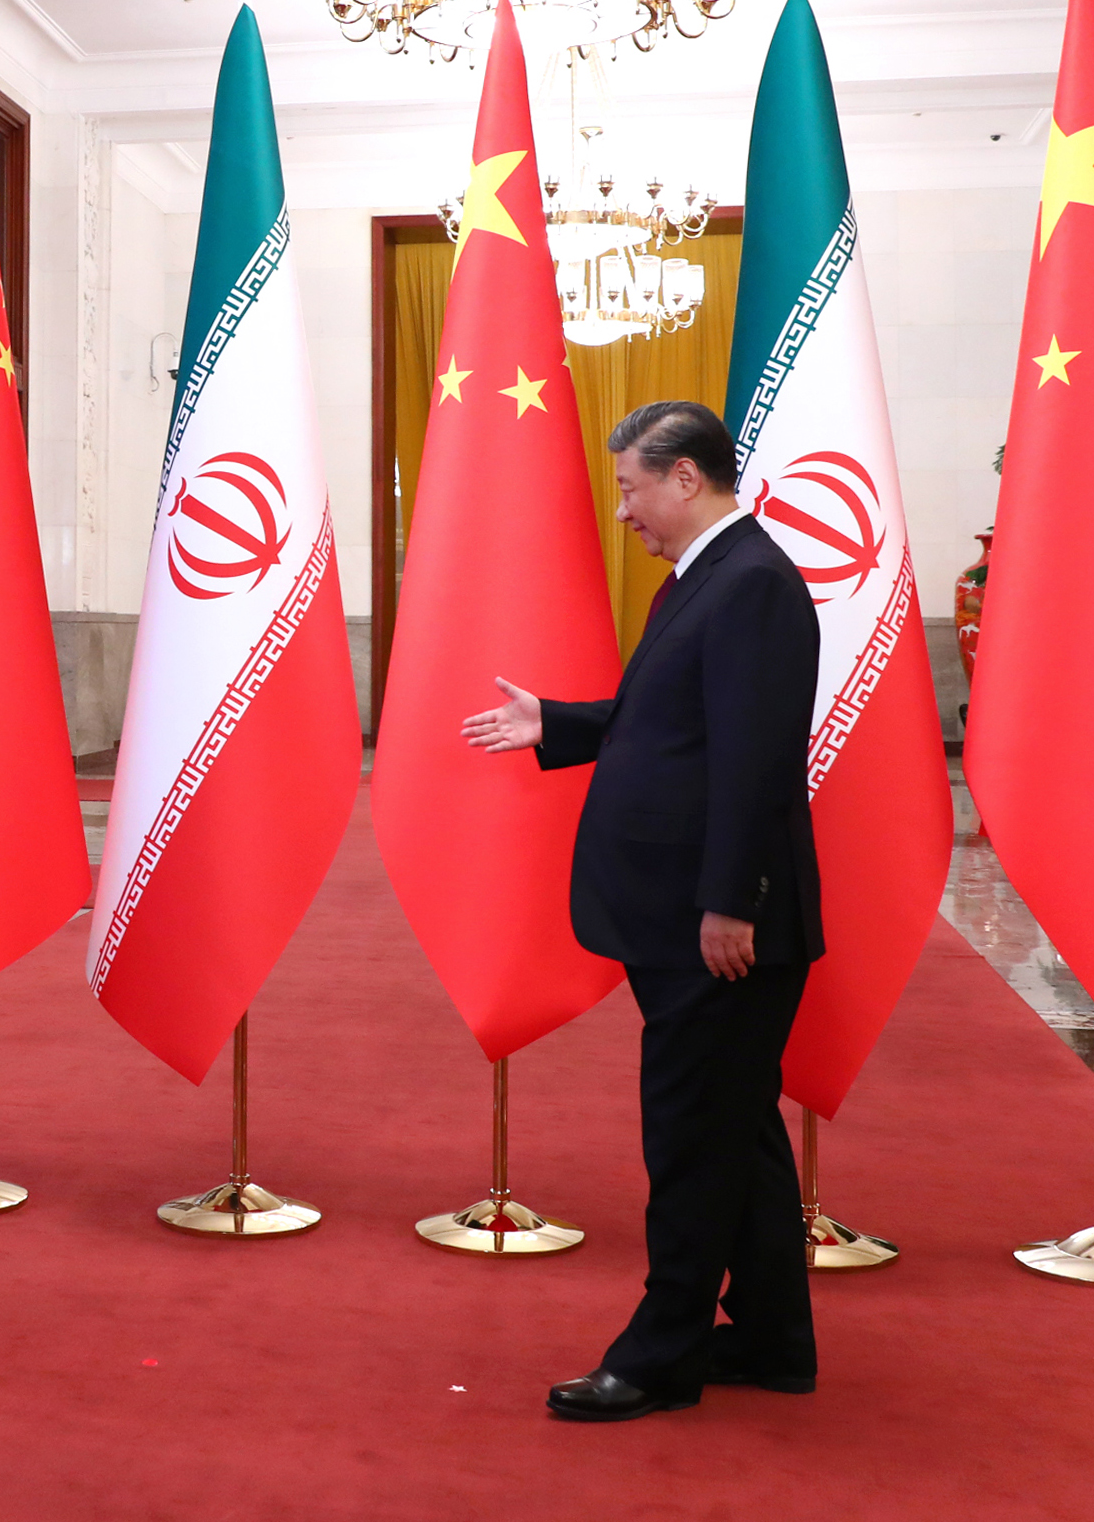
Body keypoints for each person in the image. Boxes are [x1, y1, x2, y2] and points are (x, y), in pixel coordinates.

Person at [463, 400, 822, 1422]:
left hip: (718, 927)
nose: (622, 509)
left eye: (629, 486)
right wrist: (556, 721)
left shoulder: (750, 583)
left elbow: (754, 760)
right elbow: (672, 720)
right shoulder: (710, 575)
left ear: (684, 477)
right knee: (735, 1128)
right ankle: (772, 1338)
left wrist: (730, 902)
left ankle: (661, 1355)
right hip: (685, 917)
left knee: (690, 1139)